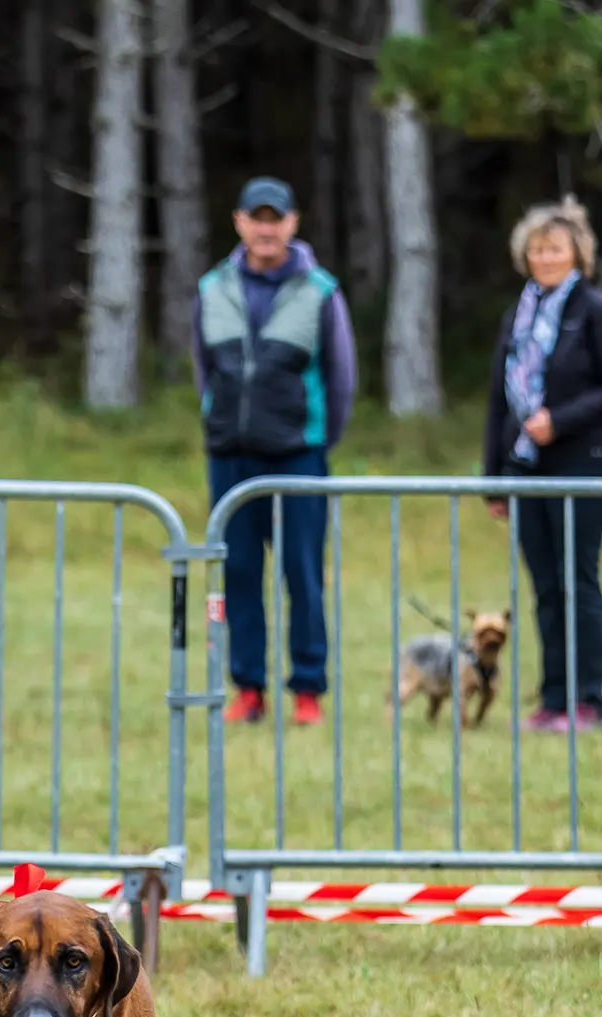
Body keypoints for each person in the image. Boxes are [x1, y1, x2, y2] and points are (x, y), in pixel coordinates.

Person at [194, 177, 357, 728]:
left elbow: (341, 377)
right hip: (231, 458)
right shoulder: (212, 287)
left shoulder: (320, 289)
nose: (267, 228)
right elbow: (203, 370)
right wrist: (217, 421)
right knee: (238, 573)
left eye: (276, 218)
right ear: (239, 222)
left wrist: (316, 440)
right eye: (256, 217)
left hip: (297, 458)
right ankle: (248, 688)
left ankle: (307, 690)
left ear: (292, 223)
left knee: (302, 576)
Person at [481, 196, 602, 733]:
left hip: (584, 464)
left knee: (578, 582)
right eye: (537, 249)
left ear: (577, 253)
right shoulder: (516, 316)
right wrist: (492, 479)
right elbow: (498, 401)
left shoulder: (598, 311)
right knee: (545, 586)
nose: (545, 258)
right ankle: (552, 699)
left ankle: (587, 701)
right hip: (525, 470)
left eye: (555, 248)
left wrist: (560, 421)